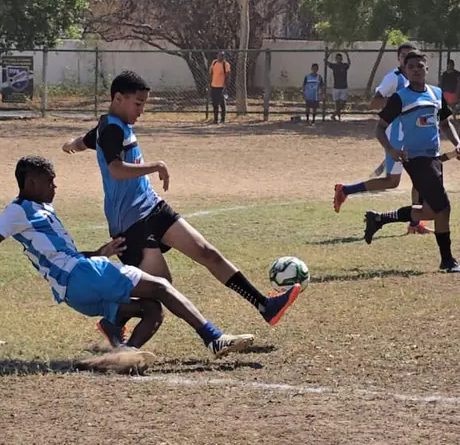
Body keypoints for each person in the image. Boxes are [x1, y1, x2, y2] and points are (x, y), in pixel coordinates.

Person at [61, 71, 301, 347]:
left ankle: (264, 306)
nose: (141, 110)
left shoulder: (110, 126)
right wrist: (155, 166)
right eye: (137, 103)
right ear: (117, 98)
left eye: (144, 104)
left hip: (152, 207)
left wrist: (71, 145)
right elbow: (115, 169)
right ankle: (115, 322)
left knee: (207, 252)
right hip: (130, 226)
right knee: (162, 288)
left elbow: (86, 139)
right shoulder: (111, 129)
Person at [0, 155, 256, 362]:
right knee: (160, 286)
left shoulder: (42, 211)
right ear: (32, 183)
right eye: (50, 181)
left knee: (152, 310)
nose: (55, 186)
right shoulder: (17, 210)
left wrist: (99, 253)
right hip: (80, 278)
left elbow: (61, 256)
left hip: (76, 291)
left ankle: (120, 355)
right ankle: (214, 339)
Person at [363, 50, 460, 273]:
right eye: (411, 67)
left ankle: (379, 219)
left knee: (430, 210)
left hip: (433, 158)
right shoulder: (401, 98)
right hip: (416, 159)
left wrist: (457, 142)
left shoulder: (436, 93)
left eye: (419, 65)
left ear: (426, 68)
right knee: (443, 208)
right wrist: (391, 149)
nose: (416, 69)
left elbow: (445, 123)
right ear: (406, 72)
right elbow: (379, 128)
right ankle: (448, 261)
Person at [332, 42, 432, 235]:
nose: (406, 59)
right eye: (403, 56)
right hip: (396, 136)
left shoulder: (418, 83)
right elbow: (374, 102)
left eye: (410, 56)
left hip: (412, 136)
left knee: (419, 180)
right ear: (399, 59)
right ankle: (345, 190)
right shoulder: (393, 78)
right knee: (391, 182)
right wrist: (398, 103)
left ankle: (415, 223)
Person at [325, 51, 350, 121]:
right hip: (336, 87)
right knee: (337, 104)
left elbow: (349, 63)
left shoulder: (344, 65)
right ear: (336, 59)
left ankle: (334, 115)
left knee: (343, 102)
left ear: (341, 59)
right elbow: (325, 61)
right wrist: (329, 54)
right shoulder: (334, 66)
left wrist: (347, 55)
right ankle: (338, 117)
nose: (339, 59)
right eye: (337, 58)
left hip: (344, 86)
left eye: (340, 58)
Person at [208, 51, 230, 124]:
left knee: (222, 103)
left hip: (221, 87)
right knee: (215, 104)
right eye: (219, 55)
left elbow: (227, 76)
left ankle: (223, 119)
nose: (220, 57)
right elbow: (211, 72)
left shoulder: (225, 64)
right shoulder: (214, 62)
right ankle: (215, 119)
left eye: (222, 56)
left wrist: (225, 86)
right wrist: (209, 83)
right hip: (214, 86)